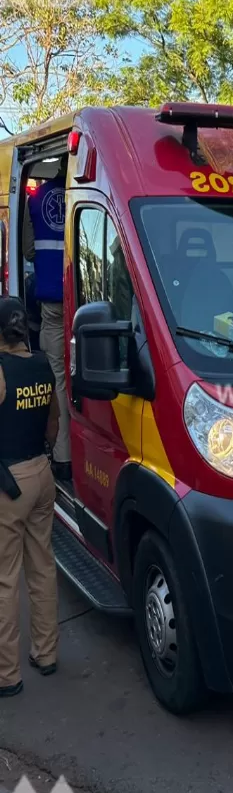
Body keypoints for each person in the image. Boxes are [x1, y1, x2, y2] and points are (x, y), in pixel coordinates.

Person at [0, 297, 60, 698]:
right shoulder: (41, 364)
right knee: (42, 567)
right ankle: (47, 653)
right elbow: (54, 422)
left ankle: (7, 675)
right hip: (42, 473)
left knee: (6, 580)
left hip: (10, 483)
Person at [27, 167, 70, 481]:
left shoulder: (36, 198)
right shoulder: (87, 189)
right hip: (86, 294)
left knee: (57, 376)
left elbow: (29, 251)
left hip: (51, 299)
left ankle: (62, 455)